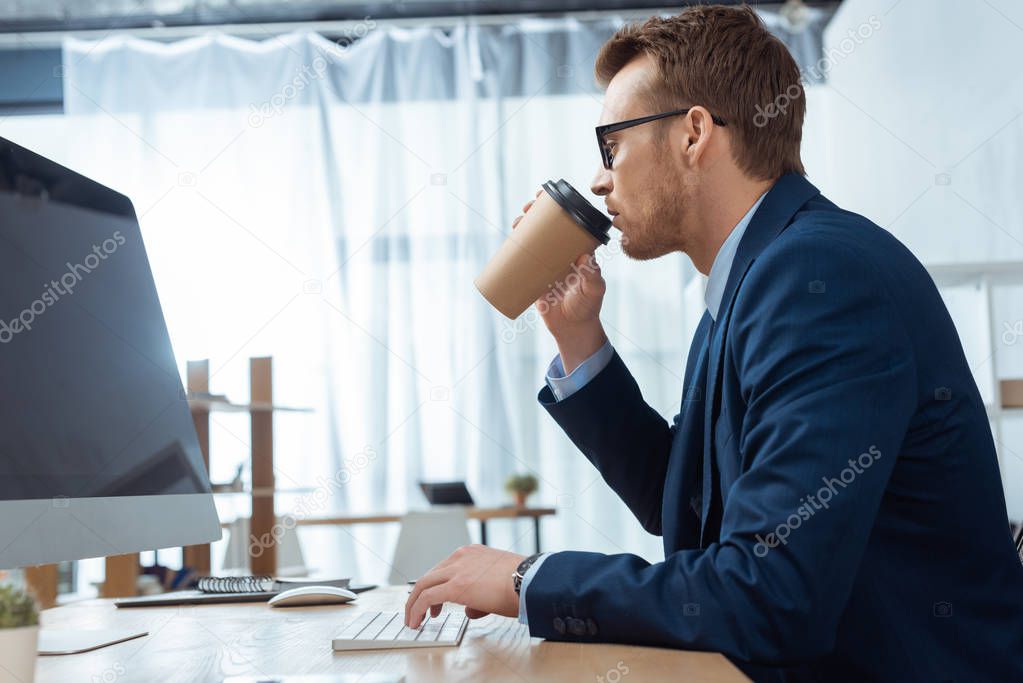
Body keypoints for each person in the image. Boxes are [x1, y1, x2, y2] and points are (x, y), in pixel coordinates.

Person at [405, 5, 1023, 680]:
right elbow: (688, 503)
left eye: (611, 145)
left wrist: (529, 577)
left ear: (694, 132)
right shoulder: (750, 282)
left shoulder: (819, 278)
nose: (599, 179)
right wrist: (579, 339)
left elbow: (769, 591)